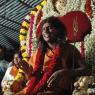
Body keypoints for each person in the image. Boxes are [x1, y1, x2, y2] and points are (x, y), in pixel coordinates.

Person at [15, 16, 88, 95]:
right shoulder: (37, 53)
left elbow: (86, 70)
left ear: (58, 30)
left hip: (58, 90)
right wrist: (27, 72)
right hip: (35, 88)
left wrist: (64, 72)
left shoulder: (69, 49)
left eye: (49, 28)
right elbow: (32, 79)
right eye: (43, 29)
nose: (45, 31)